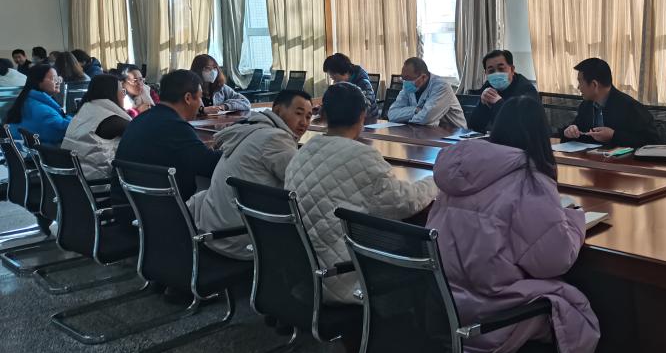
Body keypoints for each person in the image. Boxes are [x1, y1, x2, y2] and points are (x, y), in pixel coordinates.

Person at [428, 96, 599, 353]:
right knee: (577, 313)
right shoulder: (528, 179)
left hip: (444, 304)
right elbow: (556, 259)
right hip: (490, 316)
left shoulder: (459, 170)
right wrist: (575, 220)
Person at [285, 82, 437, 305]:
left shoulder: (302, 151)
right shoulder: (362, 157)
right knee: (421, 244)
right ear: (362, 116)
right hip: (343, 274)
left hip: (302, 270)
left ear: (323, 115)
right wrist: (435, 181)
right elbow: (405, 203)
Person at [189, 90, 313, 259]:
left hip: (212, 229)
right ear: (277, 110)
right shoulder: (275, 139)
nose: (304, 122)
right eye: (298, 113)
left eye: (308, 116)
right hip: (240, 239)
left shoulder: (251, 129)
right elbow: (304, 185)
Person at [113, 69, 221, 203]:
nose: (201, 104)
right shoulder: (175, 126)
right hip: (165, 210)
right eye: (199, 97)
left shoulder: (140, 120)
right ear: (187, 98)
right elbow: (210, 165)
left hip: (131, 206)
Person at [561, 58, 660, 148]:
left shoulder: (630, 107)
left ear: (594, 84)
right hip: (590, 160)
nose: (578, 87)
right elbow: (578, 133)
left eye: (580, 82)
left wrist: (614, 135)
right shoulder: (586, 106)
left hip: (622, 162)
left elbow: (653, 142)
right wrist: (569, 132)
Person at [61, 73, 131, 180]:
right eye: (122, 90)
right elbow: (141, 134)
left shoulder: (86, 110)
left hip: (74, 180)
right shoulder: (111, 120)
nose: (124, 95)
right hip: (98, 183)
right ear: (112, 93)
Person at [467, 49, 538, 133]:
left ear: (512, 70)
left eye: (501, 69)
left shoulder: (526, 89)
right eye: (491, 71)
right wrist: (482, 104)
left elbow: (521, 128)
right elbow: (473, 126)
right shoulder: (489, 86)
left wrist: (499, 103)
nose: (496, 74)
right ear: (486, 73)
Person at [386, 57, 466, 128]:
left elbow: (425, 119)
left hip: (454, 135)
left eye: (408, 78)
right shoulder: (408, 87)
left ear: (423, 77)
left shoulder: (441, 86)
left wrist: (404, 117)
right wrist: (415, 110)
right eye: (403, 78)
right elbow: (392, 114)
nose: (405, 82)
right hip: (423, 132)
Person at [3, 63, 72, 144]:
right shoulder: (40, 108)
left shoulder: (29, 100)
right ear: (38, 81)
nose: (58, 82)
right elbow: (61, 131)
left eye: (58, 78)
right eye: (53, 78)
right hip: (45, 150)